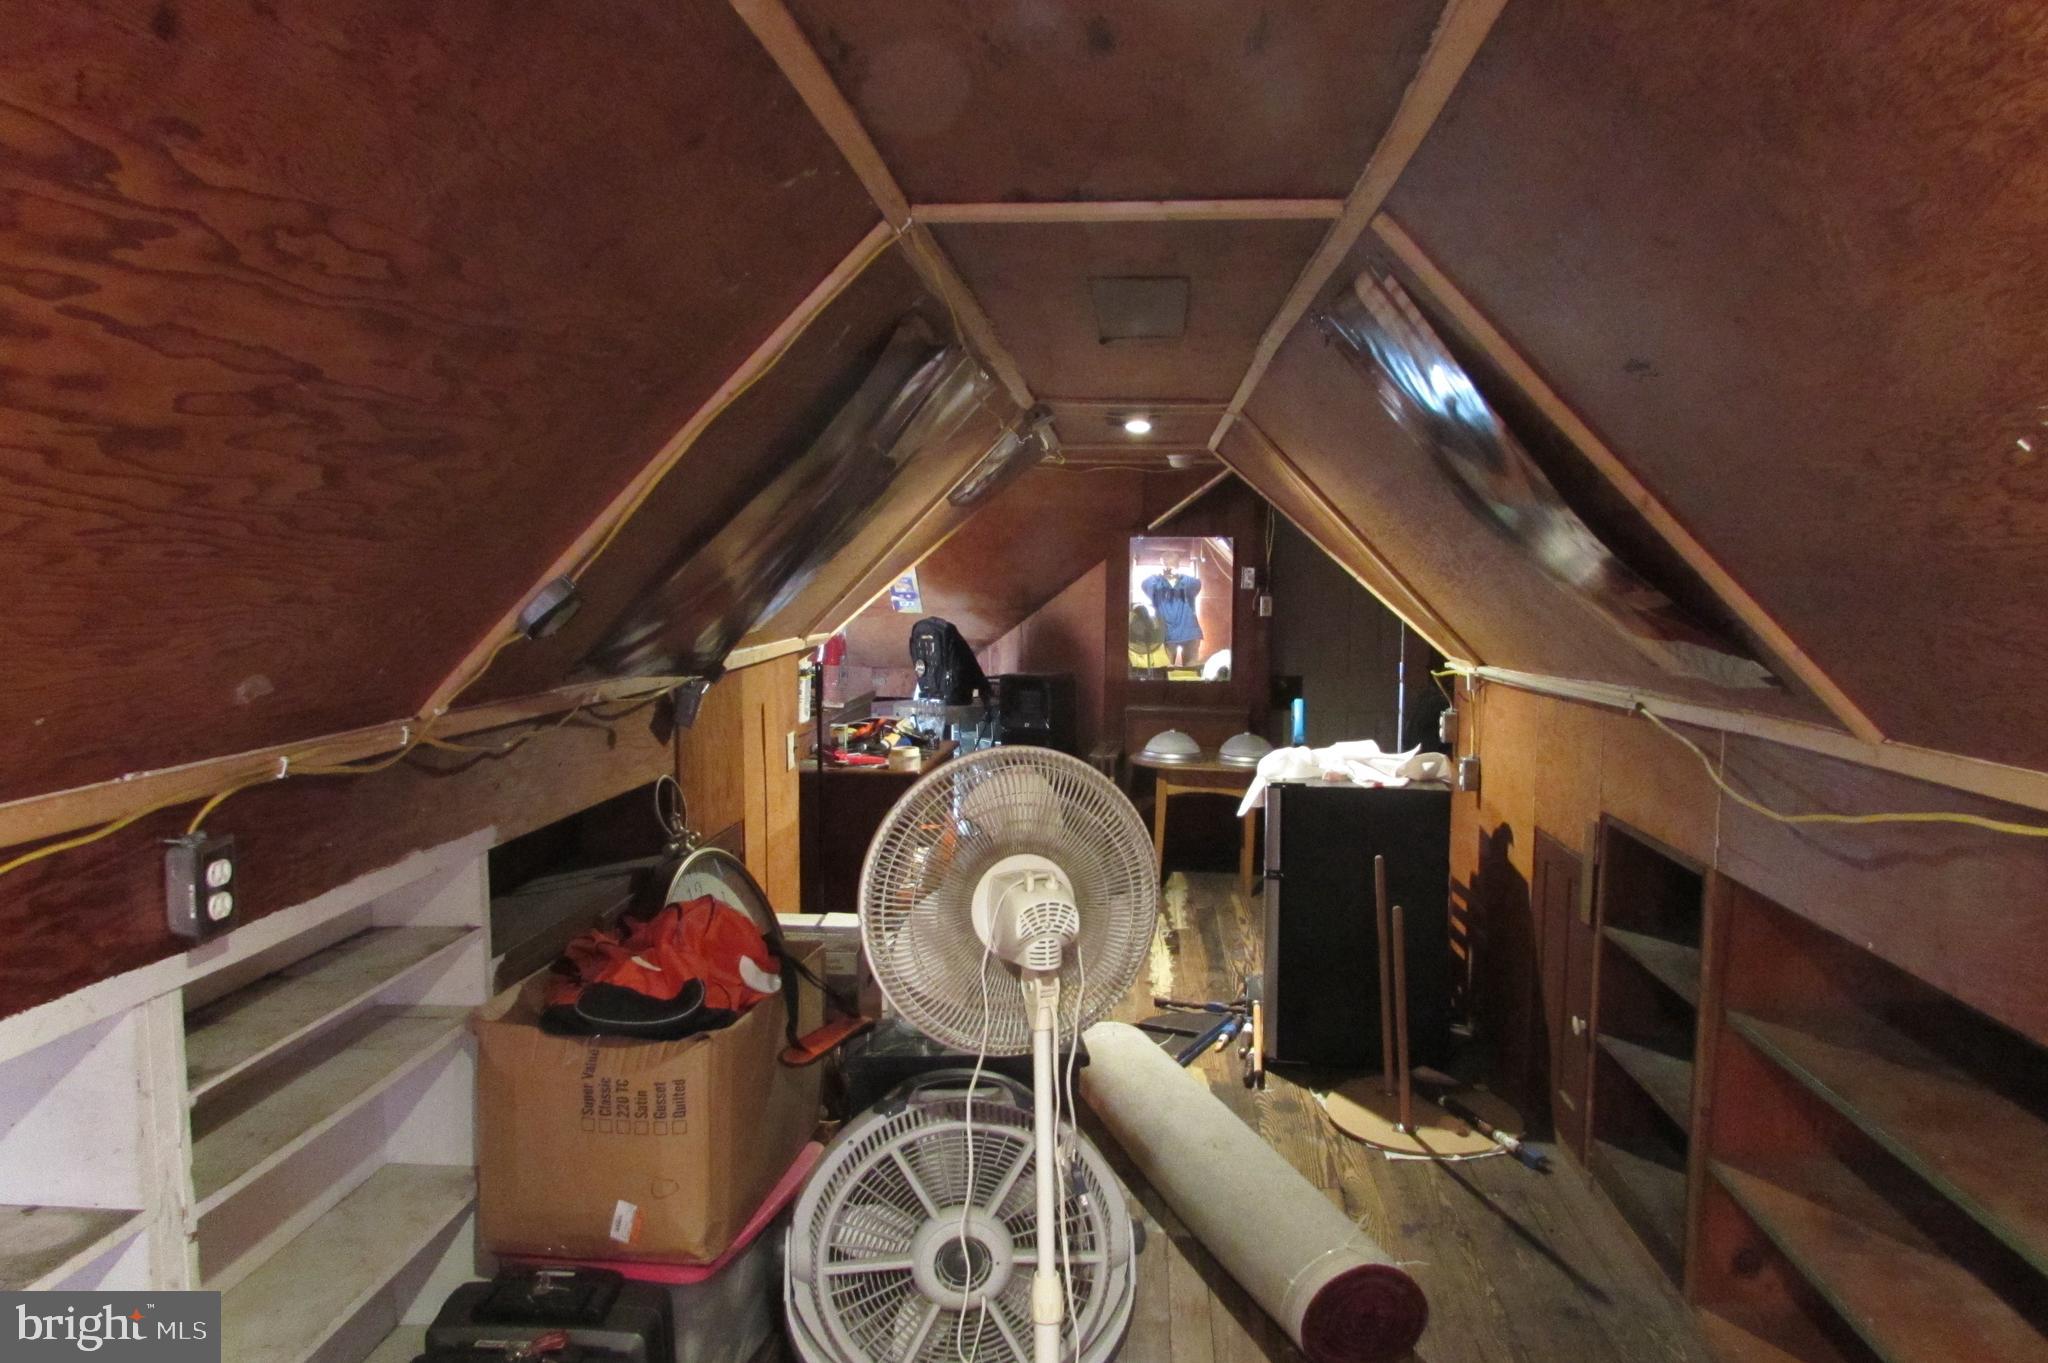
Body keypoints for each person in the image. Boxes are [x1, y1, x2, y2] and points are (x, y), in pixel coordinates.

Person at [1142, 552, 1203, 668]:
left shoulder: (1186, 582)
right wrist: (1159, 576)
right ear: (1161, 566)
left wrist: (1178, 577)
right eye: (1165, 566)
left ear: (1178, 566)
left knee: (1191, 670)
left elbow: (1197, 584)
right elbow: (1145, 585)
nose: (1168, 569)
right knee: (1166, 671)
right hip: (1168, 635)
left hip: (1190, 633)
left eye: (1171, 566)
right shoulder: (1156, 584)